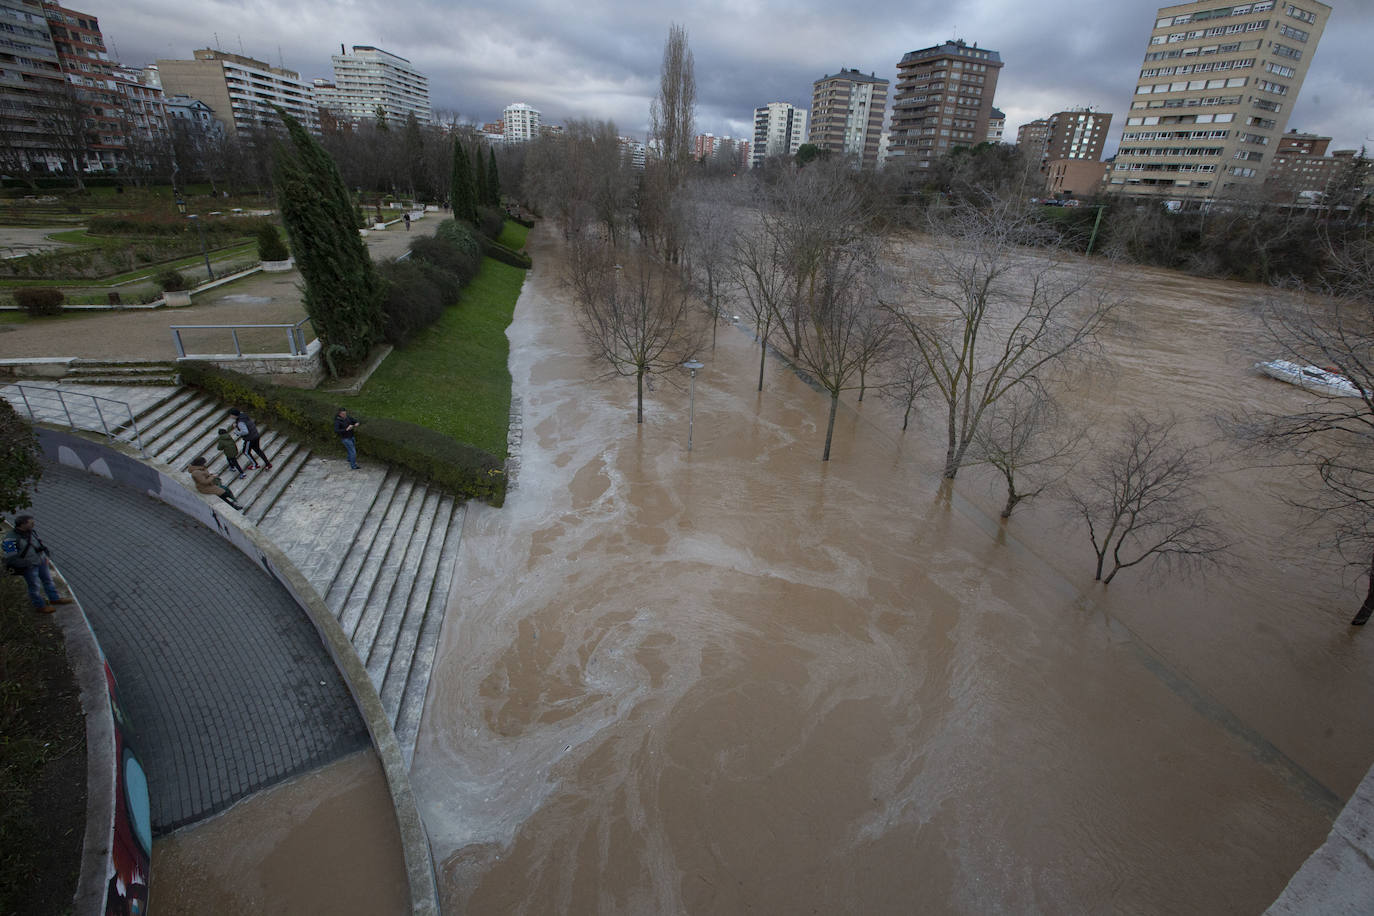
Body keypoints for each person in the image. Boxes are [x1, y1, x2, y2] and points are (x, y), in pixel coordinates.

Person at [3, 515, 76, 613]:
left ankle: (54, 599)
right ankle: (40, 606)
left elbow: (38, 544)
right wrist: (27, 564)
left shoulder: (31, 532)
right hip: (29, 567)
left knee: (48, 581)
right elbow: (10, 558)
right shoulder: (10, 539)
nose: (34, 524)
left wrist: (44, 556)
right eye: (31, 523)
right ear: (23, 524)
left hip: (40, 561)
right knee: (34, 587)